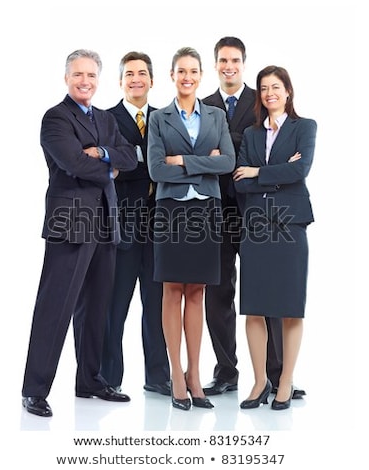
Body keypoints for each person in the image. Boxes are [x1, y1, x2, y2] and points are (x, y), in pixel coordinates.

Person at [21, 49, 138, 417]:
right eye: (77, 75)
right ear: (66, 78)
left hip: (105, 220)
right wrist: (110, 168)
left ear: (99, 79)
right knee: (56, 307)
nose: (84, 81)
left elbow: (131, 156)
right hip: (69, 222)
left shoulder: (105, 119)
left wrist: (102, 152)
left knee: (96, 306)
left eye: (90, 75)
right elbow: (71, 162)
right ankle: (34, 389)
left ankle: (89, 380)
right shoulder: (55, 118)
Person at [202, 37, 306, 399]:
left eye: (235, 60)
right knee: (217, 294)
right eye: (222, 60)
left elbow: (235, 151)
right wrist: (232, 154)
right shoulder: (204, 105)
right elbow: (204, 149)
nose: (228, 66)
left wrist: (228, 151)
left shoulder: (259, 99)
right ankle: (226, 371)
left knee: (271, 294)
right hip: (216, 211)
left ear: (243, 63)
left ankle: (278, 376)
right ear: (215, 64)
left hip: (261, 214)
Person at [147, 47, 235, 410]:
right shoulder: (160, 118)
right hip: (170, 210)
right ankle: (176, 377)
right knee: (171, 290)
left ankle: (195, 374)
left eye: (193, 71)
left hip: (205, 211)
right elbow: (156, 170)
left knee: (197, 292)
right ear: (172, 75)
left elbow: (228, 162)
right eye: (181, 71)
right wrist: (204, 163)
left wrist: (182, 160)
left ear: (202, 76)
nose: (187, 76)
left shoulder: (215, 116)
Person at [234, 65, 317, 410]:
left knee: (289, 307)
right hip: (256, 224)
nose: (270, 93)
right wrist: (273, 174)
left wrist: (260, 171)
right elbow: (240, 179)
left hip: (290, 223)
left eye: (276, 87)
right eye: (264, 88)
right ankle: (259, 381)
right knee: (254, 307)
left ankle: (285, 380)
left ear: (288, 91)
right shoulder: (252, 134)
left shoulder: (304, 127)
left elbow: (301, 170)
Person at [101, 51, 170, 395]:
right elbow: (111, 169)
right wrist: (152, 163)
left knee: (156, 305)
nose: (136, 79)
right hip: (122, 226)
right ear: (120, 81)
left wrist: (133, 159)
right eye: (129, 74)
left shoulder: (164, 117)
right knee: (116, 304)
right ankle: (107, 378)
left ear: (152, 80)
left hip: (161, 226)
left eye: (142, 73)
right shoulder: (105, 119)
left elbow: (156, 167)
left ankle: (158, 377)